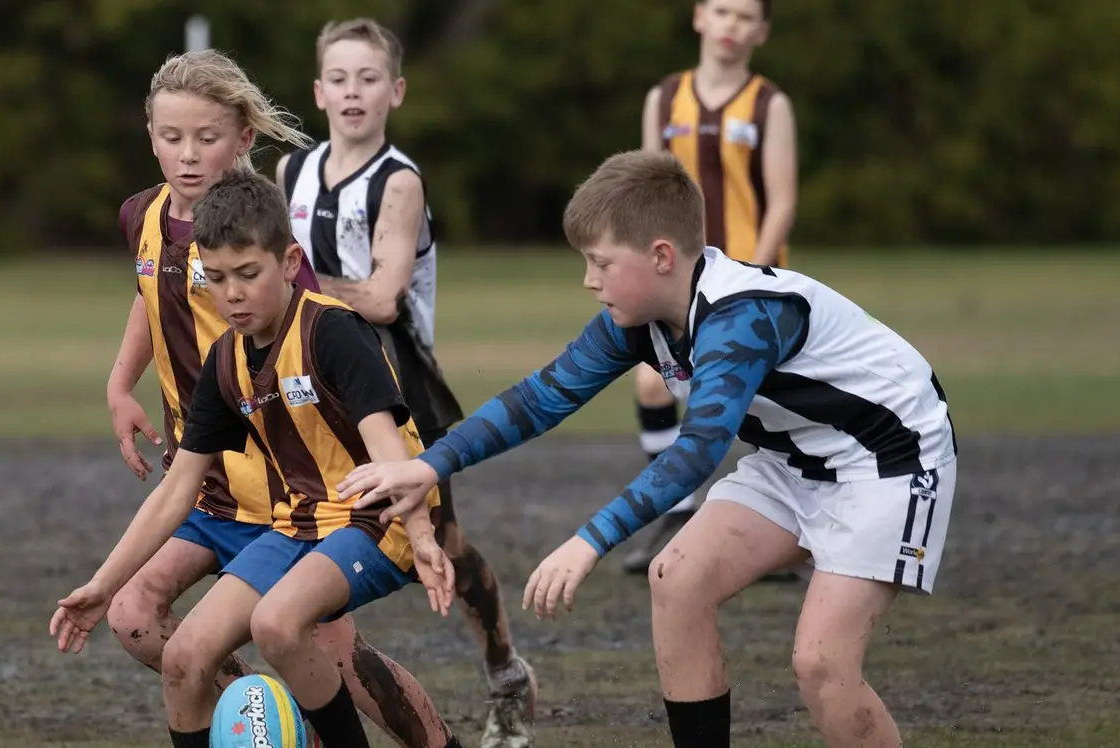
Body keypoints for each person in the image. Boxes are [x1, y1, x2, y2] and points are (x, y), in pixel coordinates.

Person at [339, 150, 958, 748]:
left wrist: (589, 540)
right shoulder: (640, 322)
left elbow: (697, 453)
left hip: (891, 458)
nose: (589, 280)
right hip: (800, 458)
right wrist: (428, 464)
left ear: (661, 256)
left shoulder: (741, 317)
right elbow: (540, 398)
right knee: (677, 578)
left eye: (601, 263)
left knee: (821, 664)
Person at [93, 49, 463, 748]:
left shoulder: (263, 239)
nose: (188, 155)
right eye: (173, 138)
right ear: (149, 135)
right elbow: (151, 295)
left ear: (243, 140)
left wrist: (393, 492)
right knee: (138, 616)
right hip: (208, 479)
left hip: (298, 486)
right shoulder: (142, 216)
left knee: (328, 653)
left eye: (207, 138)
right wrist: (119, 383)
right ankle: (266, 722)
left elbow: (327, 355)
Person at [275, 18, 537, 748]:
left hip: (398, 386)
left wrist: (289, 283)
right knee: (296, 529)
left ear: (395, 90)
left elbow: (385, 298)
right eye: (339, 78)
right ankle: (318, 692)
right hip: (310, 386)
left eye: (368, 79)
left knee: (443, 543)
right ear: (318, 91)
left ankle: (505, 671)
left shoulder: (398, 181)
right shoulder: (290, 171)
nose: (352, 92)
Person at [624, 0, 799, 575]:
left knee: (761, 407)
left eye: (746, 16)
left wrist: (755, 276)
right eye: (722, 11)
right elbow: (647, 190)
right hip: (680, 279)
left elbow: (781, 200)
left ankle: (786, 533)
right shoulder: (665, 98)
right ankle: (678, 512)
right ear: (699, 17)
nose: (732, 25)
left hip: (747, 279)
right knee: (651, 384)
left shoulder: (770, 105)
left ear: (763, 32)